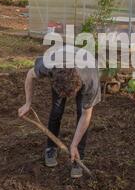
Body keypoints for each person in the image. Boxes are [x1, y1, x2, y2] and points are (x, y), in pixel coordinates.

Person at [18, 45, 101, 179]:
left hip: (86, 64)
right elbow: (29, 75)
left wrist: (73, 145)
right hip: (60, 58)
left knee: (82, 111)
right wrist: (28, 103)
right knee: (57, 109)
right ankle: (51, 148)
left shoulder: (90, 79)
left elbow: (87, 115)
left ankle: (78, 155)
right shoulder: (49, 64)